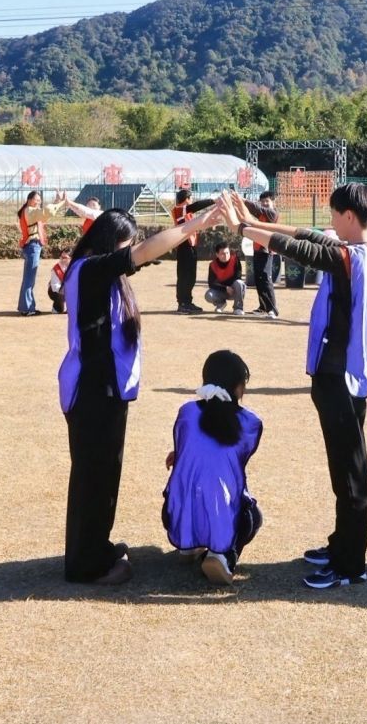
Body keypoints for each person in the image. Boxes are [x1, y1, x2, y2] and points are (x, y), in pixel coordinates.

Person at [56, 203, 222, 585]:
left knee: (103, 474)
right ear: (111, 242)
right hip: (93, 390)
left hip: (106, 389)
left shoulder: (98, 270)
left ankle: (95, 547)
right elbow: (146, 251)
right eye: (125, 245)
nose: (129, 252)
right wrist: (194, 225)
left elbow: (142, 256)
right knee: (93, 477)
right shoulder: (92, 269)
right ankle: (86, 566)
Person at [227, 185, 367, 590]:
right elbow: (306, 236)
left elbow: (300, 249)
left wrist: (243, 229)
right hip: (340, 376)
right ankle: (341, 545)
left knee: (351, 474)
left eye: (334, 214)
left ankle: (350, 565)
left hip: (341, 379)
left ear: (349, 215)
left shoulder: (351, 257)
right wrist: (253, 221)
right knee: (342, 472)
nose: (330, 222)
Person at [163, 349, 264, 586]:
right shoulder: (250, 422)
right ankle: (224, 556)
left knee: (196, 488)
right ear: (239, 387)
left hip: (175, 514)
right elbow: (232, 462)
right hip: (220, 514)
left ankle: (190, 542)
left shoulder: (187, 412)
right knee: (253, 515)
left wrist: (180, 455)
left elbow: (193, 449)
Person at [16, 191, 59, 316]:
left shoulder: (30, 211)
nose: (38, 202)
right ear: (29, 200)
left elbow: (45, 215)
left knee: (28, 278)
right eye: (36, 199)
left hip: (32, 245)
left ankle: (26, 307)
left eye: (40, 200)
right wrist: (60, 202)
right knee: (29, 279)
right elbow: (46, 212)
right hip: (32, 245)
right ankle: (27, 308)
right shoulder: (30, 211)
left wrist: (57, 202)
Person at [247, 191, 281, 318]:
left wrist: (243, 200)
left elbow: (256, 208)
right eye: (262, 202)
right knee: (259, 279)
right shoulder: (262, 213)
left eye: (267, 201)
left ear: (273, 202)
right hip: (257, 249)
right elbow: (252, 209)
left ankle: (272, 309)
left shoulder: (272, 213)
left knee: (266, 279)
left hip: (267, 250)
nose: (264, 204)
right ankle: (263, 307)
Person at [170, 188, 204, 314]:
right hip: (184, 247)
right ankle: (182, 303)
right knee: (184, 276)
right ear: (187, 199)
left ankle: (188, 301)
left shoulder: (188, 213)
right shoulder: (178, 209)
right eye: (191, 198)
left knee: (191, 276)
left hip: (191, 247)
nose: (192, 200)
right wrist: (213, 201)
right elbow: (196, 206)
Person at [204, 243, 248, 314]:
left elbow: (238, 277)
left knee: (239, 283)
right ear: (217, 254)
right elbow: (211, 283)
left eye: (227, 253)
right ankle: (221, 304)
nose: (226, 255)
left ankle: (238, 308)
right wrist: (225, 288)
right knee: (208, 295)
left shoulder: (235, 260)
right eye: (222, 254)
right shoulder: (212, 265)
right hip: (222, 291)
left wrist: (230, 287)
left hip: (234, 290)